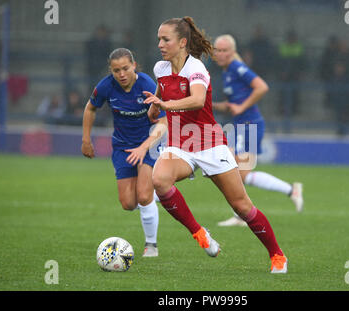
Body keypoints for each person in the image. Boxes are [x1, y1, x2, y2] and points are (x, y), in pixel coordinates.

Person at [144, 16, 288, 273]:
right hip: (179, 144)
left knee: (241, 206)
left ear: (182, 42)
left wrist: (165, 105)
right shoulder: (161, 68)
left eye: (165, 39)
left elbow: (198, 100)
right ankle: (200, 234)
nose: (160, 44)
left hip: (209, 144)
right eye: (159, 39)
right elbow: (163, 90)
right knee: (159, 180)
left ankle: (277, 255)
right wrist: (155, 106)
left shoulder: (196, 68)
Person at [82, 48, 167, 257]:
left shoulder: (148, 85)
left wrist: (144, 146)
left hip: (149, 143)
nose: (121, 74)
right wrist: (86, 139)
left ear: (134, 66)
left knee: (144, 196)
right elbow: (90, 108)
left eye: (125, 68)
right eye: (116, 70)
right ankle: (153, 196)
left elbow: (164, 122)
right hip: (122, 145)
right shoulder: (106, 86)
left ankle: (151, 245)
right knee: (129, 203)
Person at [212, 34, 303, 228]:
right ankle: (239, 216)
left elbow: (262, 87)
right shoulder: (228, 71)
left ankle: (291, 190)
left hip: (249, 125)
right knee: (234, 172)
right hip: (241, 125)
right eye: (217, 50)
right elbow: (231, 105)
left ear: (233, 52)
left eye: (224, 50)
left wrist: (242, 107)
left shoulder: (237, 68)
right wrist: (209, 105)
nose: (220, 54)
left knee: (241, 174)